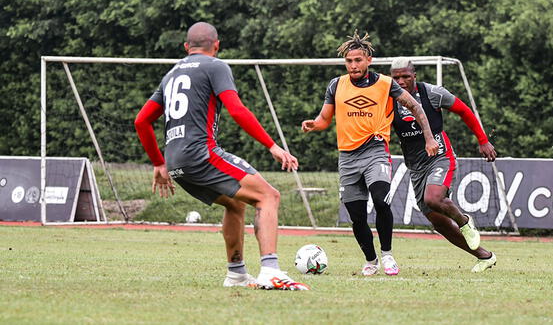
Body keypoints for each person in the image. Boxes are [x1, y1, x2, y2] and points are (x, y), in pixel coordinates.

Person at [134, 21, 309, 290]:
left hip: (176, 161)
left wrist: (158, 162)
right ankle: (270, 270)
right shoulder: (216, 66)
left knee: (235, 203)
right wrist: (272, 145)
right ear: (217, 45)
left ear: (186, 47)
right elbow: (237, 110)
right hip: (201, 154)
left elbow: (141, 121)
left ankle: (237, 274)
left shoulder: (170, 75)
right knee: (268, 196)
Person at [301, 31, 440, 276]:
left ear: (368, 61)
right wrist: (314, 124)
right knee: (356, 215)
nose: (353, 65)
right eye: (349, 61)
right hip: (347, 157)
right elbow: (324, 119)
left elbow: (415, 107)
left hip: (375, 150)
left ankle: (387, 255)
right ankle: (371, 260)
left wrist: (429, 137)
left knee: (380, 199)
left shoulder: (386, 84)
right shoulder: (336, 84)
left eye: (358, 60)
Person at [389, 57, 497, 272]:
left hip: (440, 156)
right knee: (438, 222)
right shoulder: (387, 98)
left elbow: (465, 111)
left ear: (414, 76)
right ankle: (485, 256)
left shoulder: (433, 93)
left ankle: (465, 222)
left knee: (434, 198)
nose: (401, 81)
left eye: (405, 76)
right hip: (416, 166)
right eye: (396, 77)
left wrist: (483, 140)